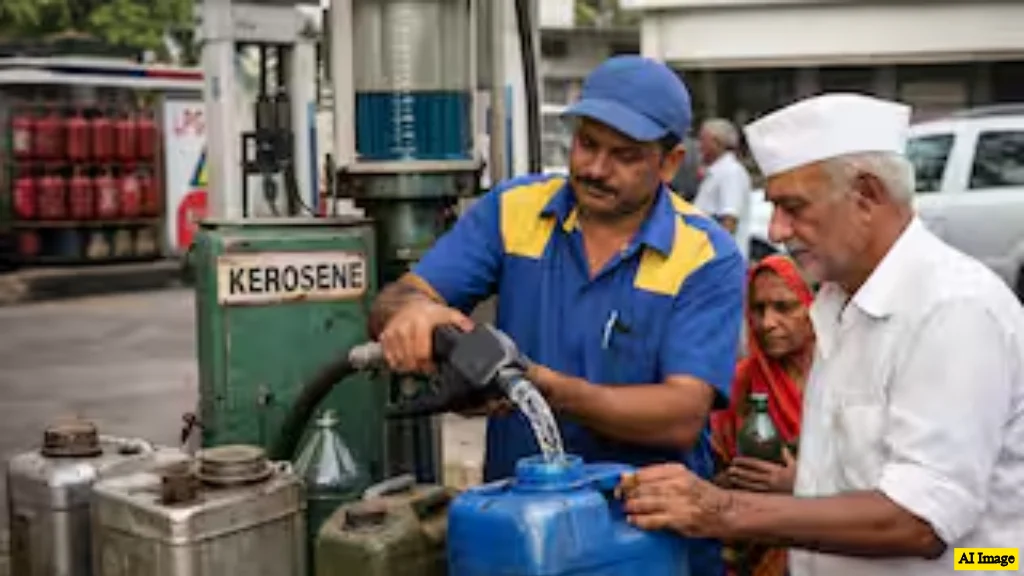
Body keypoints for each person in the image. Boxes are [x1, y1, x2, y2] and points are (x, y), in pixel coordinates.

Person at [369, 55, 746, 576]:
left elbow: (682, 414)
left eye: (623, 155)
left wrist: (544, 387)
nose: (594, 168)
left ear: (668, 162)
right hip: (522, 536)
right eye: (587, 144)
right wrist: (413, 314)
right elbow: (403, 295)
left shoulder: (706, 256)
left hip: (645, 540)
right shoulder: (514, 211)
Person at [618, 93, 1024, 575]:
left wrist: (724, 511)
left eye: (793, 207)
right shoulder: (837, 301)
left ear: (867, 196)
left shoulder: (953, 309)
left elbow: (921, 520)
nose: (777, 229)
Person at [710, 254, 816, 576]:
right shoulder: (738, 383)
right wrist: (735, 483)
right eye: (758, 309)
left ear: (813, 306)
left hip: (829, 541)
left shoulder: (843, 378)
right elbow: (710, 478)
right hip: (750, 547)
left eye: (784, 307)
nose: (767, 322)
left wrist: (799, 485)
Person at [693, 118, 753, 259]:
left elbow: (729, 220)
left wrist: (716, 258)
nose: (699, 146)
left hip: (720, 263)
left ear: (717, 143)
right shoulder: (717, 172)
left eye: (703, 140)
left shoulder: (731, 172)